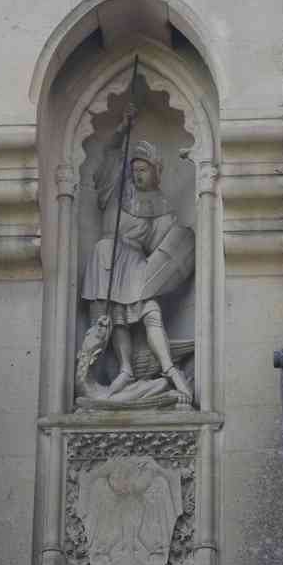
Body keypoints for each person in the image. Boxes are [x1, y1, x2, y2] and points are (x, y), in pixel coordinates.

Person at [81, 104, 193, 402]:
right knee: (115, 317)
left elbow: (165, 252)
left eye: (143, 169)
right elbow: (107, 163)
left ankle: (169, 369)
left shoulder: (164, 211)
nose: (137, 174)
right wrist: (121, 132)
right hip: (106, 257)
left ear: (156, 171)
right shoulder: (116, 191)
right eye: (134, 170)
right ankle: (125, 369)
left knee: (149, 310)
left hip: (134, 262)